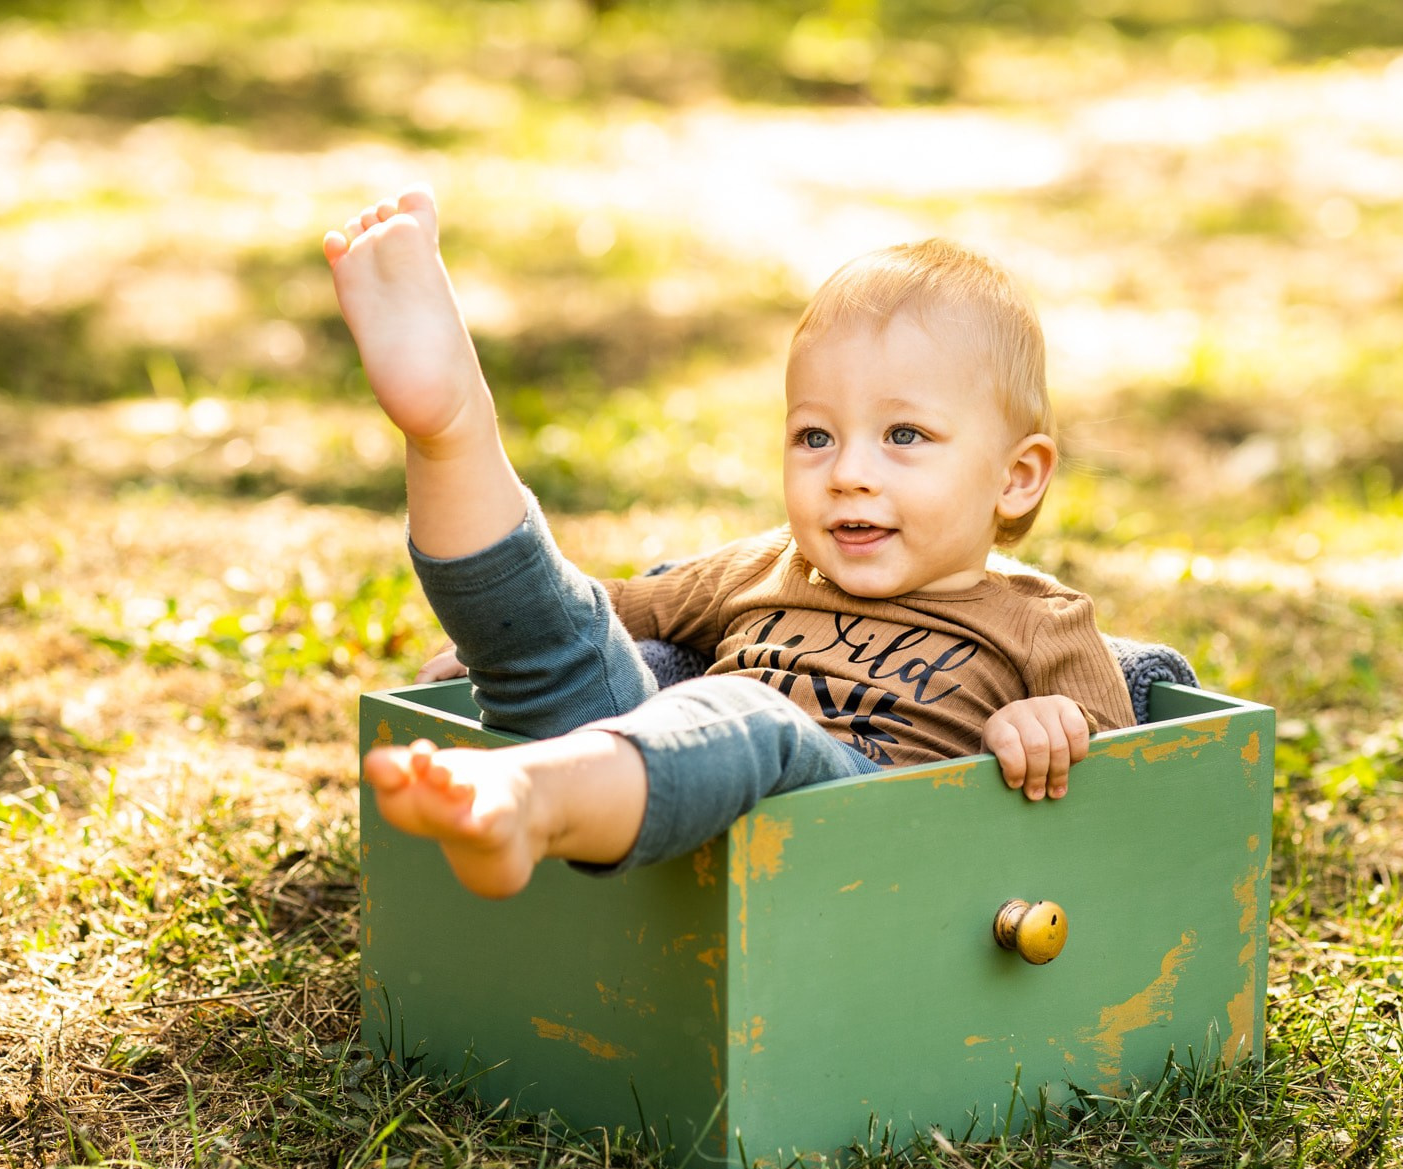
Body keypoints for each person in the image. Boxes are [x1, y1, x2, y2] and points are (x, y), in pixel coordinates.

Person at [324, 185, 1134, 900]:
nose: (848, 471)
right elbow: (602, 610)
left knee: (752, 718)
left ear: (1017, 476)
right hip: (656, 775)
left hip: (852, 845)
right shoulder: (765, 565)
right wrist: (498, 641)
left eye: (904, 434)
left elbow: (1137, 765)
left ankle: (529, 799)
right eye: (815, 436)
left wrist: (1049, 721)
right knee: (562, 633)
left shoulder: (1038, 618)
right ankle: (450, 425)